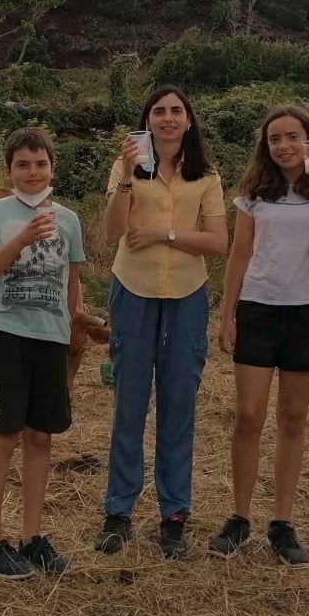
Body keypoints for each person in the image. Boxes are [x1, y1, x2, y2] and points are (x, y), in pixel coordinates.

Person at [210, 105, 309, 566]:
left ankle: (282, 522)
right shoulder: (255, 192)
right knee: (248, 415)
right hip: (258, 307)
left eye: (293, 137)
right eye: (275, 139)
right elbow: (239, 255)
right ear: (266, 147)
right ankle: (239, 517)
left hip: (306, 311)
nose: (284, 146)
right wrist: (227, 314)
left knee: (293, 418)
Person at [95, 86, 228, 559]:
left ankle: (174, 514)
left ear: (188, 121)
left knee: (178, 405)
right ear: (147, 121)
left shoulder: (206, 175)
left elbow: (217, 242)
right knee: (129, 403)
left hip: (188, 297)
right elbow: (113, 232)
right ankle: (118, 511)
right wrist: (128, 178)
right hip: (132, 292)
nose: (168, 118)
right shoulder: (125, 167)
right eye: (159, 111)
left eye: (176, 111)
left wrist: (160, 234)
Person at [0, 127, 87, 579]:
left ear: (52, 168)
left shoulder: (70, 220)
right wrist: (20, 240)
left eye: (40, 164)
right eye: (23, 165)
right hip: (6, 335)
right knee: (5, 436)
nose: (32, 173)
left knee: (41, 438)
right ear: (9, 171)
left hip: (50, 340)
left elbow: (72, 285)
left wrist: (78, 321)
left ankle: (32, 537)